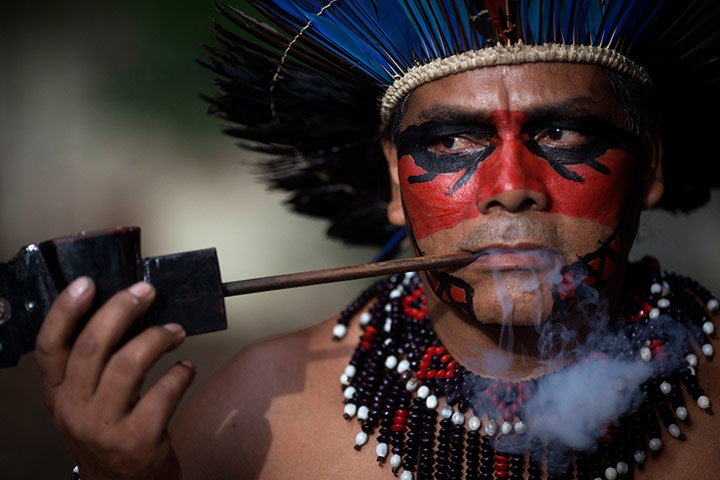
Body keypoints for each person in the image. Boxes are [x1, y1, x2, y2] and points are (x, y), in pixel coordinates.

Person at [34, 1, 720, 479]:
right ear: (396, 181)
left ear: (650, 164)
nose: (510, 186)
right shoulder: (255, 411)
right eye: (451, 139)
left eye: (563, 131)